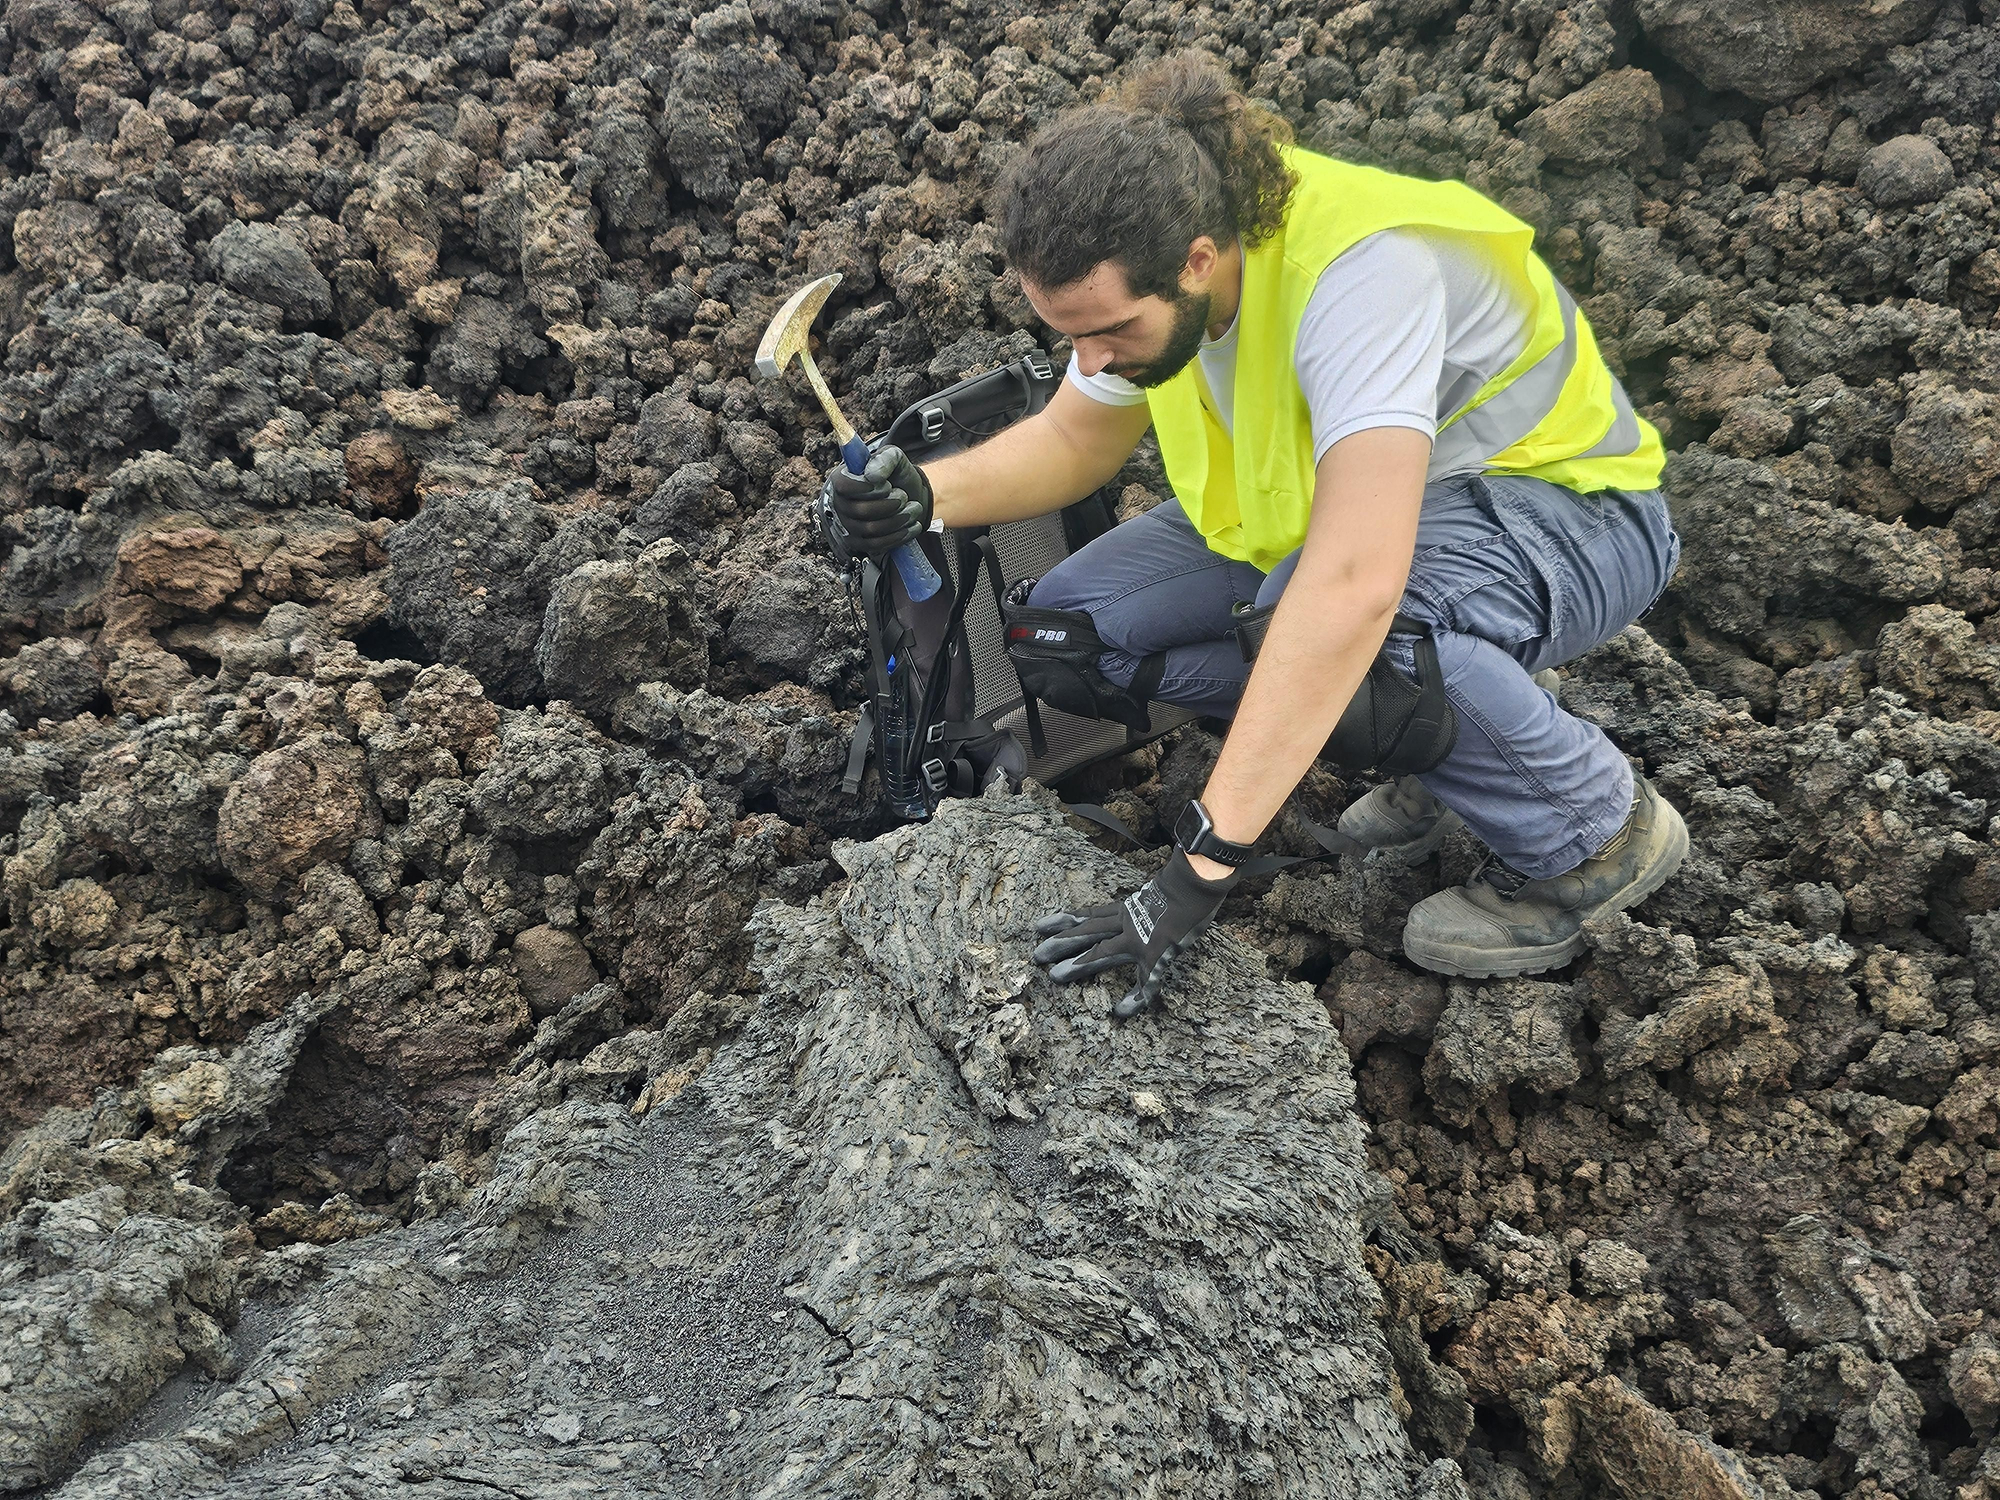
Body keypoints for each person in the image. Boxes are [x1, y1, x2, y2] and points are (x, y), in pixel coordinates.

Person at [826, 50, 1687, 1018]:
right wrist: (922, 495)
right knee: (1068, 633)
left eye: (1106, 332)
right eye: (1069, 336)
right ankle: (1448, 746)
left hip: (1574, 519)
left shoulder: (1360, 280)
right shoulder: (1148, 275)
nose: (1089, 359)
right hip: (1348, 520)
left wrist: (1196, 870)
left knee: (1352, 645)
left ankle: (1592, 834)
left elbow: (1354, 585)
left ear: (1196, 260)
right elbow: (1073, 440)